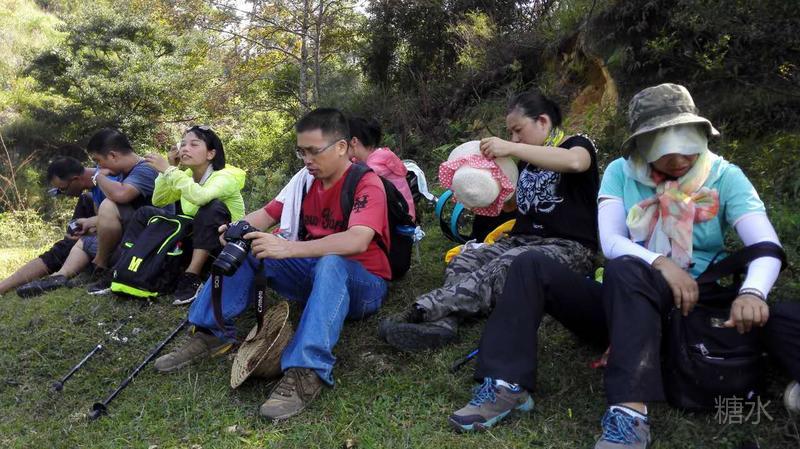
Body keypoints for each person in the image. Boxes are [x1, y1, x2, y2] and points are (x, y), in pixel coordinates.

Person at [575, 83, 797, 448]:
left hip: (702, 295)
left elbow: (765, 244)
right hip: (637, 291)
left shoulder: (725, 176)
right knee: (622, 267)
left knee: (781, 317)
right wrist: (662, 262)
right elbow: (612, 242)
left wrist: (753, 292)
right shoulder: (620, 172)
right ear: (641, 146)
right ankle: (629, 414)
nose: (678, 159)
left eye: (686, 146)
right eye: (664, 150)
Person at [153, 108, 390, 420]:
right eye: (301, 151)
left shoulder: (366, 183)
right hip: (314, 273)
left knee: (332, 261)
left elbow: (357, 240)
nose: (307, 160)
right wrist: (236, 230)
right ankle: (211, 332)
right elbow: (266, 215)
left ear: (342, 147)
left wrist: (290, 248)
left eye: (314, 151)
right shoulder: (305, 182)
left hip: (363, 284)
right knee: (251, 244)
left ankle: (306, 369)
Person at [379, 90, 600, 351]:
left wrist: (512, 148)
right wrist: (482, 193)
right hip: (522, 240)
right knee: (465, 259)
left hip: (568, 247)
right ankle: (446, 324)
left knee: (507, 265)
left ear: (542, 121)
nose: (514, 138)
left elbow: (575, 163)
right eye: (510, 134)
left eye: (518, 130)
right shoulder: (526, 164)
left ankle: (421, 309)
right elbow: (514, 206)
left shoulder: (577, 145)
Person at [137, 125, 245, 304]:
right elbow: (159, 200)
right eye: (183, 144)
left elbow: (201, 197)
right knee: (145, 213)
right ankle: (132, 268)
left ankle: (191, 277)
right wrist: (169, 170)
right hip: (197, 243)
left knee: (211, 207)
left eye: (194, 144)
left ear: (210, 154)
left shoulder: (224, 177)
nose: (185, 149)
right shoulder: (187, 175)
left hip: (224, 246)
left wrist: (170, 171)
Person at [4, 155, 113, 297]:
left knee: (65, 248)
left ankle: (68, 271)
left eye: (63, 189)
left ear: (76, 179)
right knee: (68, 240)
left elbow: (120, 217)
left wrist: (93, 225)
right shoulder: (93, 188)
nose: (64, 194)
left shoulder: (108, 182)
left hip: (120, 240)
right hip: (101, 231)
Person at [82, 128, 173, 294]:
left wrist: (98, 176)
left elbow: (121, 195)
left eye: (98, 161)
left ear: (113, 156)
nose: (98, 166)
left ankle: (101, 266)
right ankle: (85, 269)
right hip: (138, 233)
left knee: (109, 205)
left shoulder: (146, 168)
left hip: (155, 238)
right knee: (85, 238)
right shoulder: (126, 172)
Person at [347, 116, 415, 221]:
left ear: (354, 141)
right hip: (401, 211)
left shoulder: (375, 165)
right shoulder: (378, 155)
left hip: (401, 216)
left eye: (343, 142)